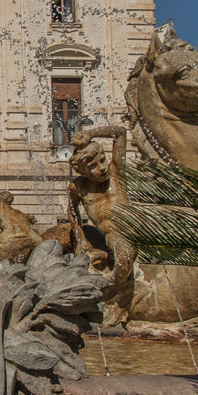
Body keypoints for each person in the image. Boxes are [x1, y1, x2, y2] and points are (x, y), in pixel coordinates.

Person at [67, 125, 136, 324]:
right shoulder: (79, 187)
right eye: (94, 167)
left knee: (121, 254)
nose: (102, 168)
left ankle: (112, 295)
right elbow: (72, 211)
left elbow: (120, 133)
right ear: (83, 172)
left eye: (103, 160)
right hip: (106, 239)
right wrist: (79, 237)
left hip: (124, 235)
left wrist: (91, 134)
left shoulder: (116, 172)